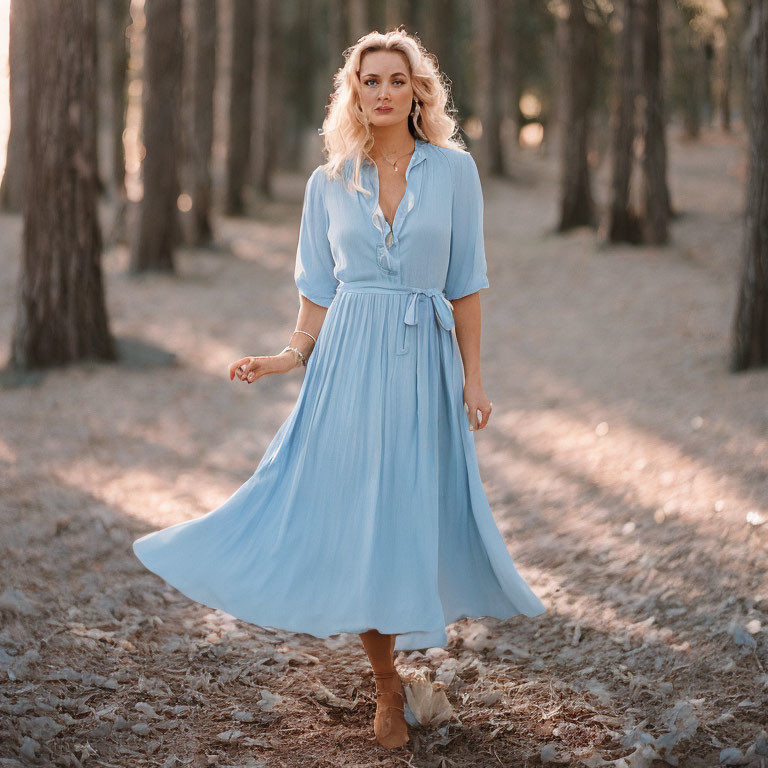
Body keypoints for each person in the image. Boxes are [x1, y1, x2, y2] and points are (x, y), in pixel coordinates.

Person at [132, 27, 546, 751]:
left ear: (419, 91)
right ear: (352, 92)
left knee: (407, 514)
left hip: (423, 362)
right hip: (346, 365)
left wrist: (475, 379)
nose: (382, 93)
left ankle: (408, 664)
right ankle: (387, 685)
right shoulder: (329, 182)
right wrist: (283, 357)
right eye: (370, 81)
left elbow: (468, 286)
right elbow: (317, 292)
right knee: (357, 517)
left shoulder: (453, 172)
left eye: (396, 80)